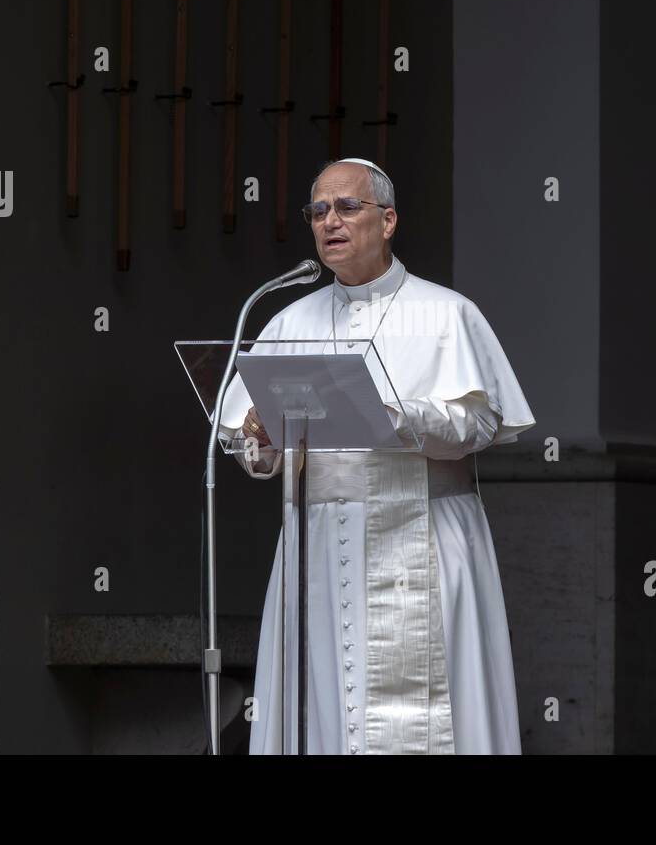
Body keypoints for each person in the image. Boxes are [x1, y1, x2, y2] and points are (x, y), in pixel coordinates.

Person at [217, 157, 534, 754]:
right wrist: (257, 438)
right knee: (323, 708)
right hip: (318, 545)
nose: (329, 221)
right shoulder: (288, 320)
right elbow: (257, 451)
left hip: (429, 536)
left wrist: (397, 416)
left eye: (346, 206)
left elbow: (481, 422)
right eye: (318, 211)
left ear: (388, 221)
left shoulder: (447, 313)